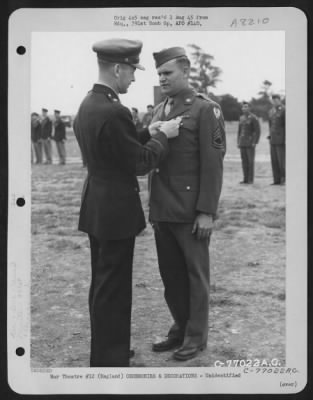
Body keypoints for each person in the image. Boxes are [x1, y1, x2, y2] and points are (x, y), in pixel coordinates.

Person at [73, 38, 181, 367]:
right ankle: (110, 358)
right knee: (114, 287)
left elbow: (116, 146)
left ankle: (109, 347)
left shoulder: (89, 104)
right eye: (132, 70)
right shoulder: (114, 109)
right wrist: (164, 136)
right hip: (115, 211)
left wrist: (149, 130)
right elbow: (138, 163)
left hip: (97, 207)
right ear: (118, 68)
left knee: (103, 283)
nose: (133, 78)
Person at [149, 47, 226, 361]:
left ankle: (196, 338)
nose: (162, 79)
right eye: (159, 75)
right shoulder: (158, 111)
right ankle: (180, 329)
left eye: (167, 73)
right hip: (162, 210)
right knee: (172, 277)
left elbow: (213, 163)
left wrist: (207, 210)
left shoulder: (205, 110)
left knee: (195, 276)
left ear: (185, 71)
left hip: (190, 210)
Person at [237, 101, 261, 184]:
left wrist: (255, 142)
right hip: (242, 142)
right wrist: (238, 142)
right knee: (244, 161)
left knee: (250, 162)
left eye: (246, 107)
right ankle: (245, 179)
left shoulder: (254, 118)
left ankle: (250, 180)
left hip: (250, 143)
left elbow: (257, 131)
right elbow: (239, 131)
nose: (244, 108)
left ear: (250, 108)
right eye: (243, 107)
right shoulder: (241, 118)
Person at [268, 94, 285, 185]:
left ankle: (283, 179)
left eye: (276, 100)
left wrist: (286, 139)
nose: (274, 102)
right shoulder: (271, 111)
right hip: (273, 139)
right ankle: (276, 180)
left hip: (281, 139)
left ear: (279, 100)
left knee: (281, 161)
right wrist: (270, 135)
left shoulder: (284, 110)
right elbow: (270, 125)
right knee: (274, 160)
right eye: (273, 100)